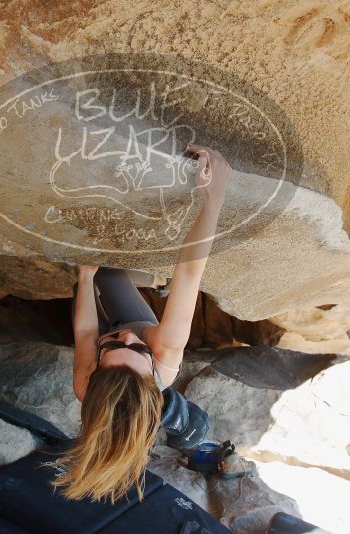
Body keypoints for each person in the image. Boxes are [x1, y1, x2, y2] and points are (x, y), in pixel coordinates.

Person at [54, 144, 232, 503]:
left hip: (116, 356)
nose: (125, 336)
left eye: (114, 347)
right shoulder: (164, 352)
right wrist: (214, 196)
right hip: (146, 325)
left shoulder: (87, 385)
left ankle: (139, 280)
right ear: (149, 367)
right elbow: (191, 270)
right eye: (133, 347)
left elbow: (88, 332)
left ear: (97, 371)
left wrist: (86, 276)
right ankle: (150, 282)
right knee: (113, 273)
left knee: (92, 275)